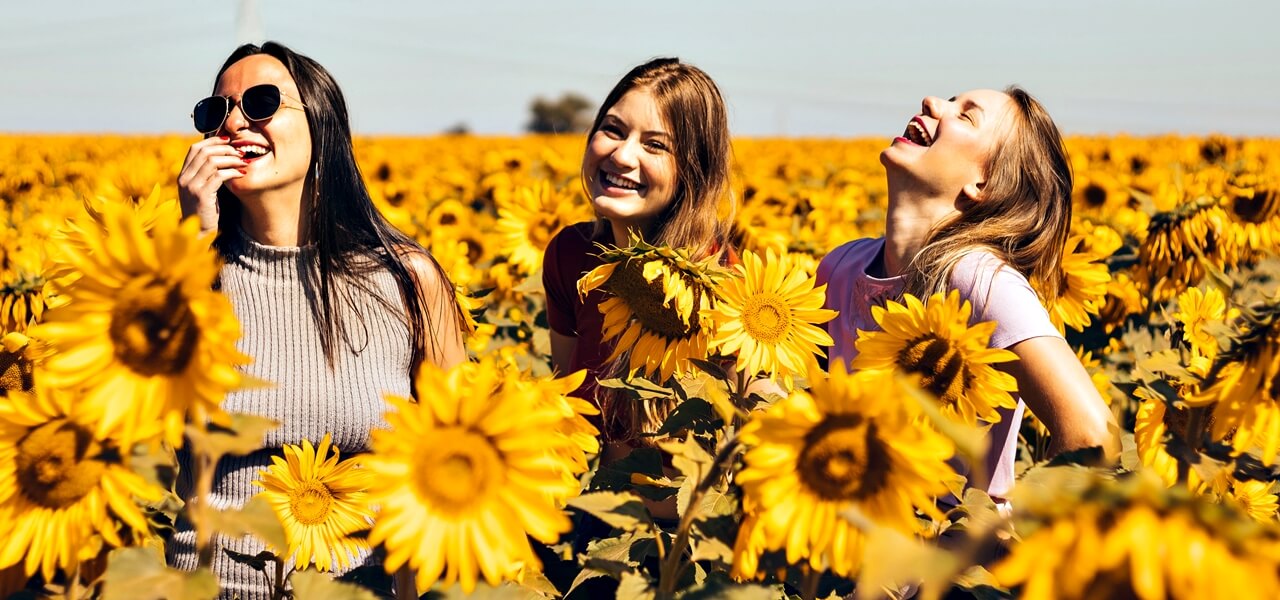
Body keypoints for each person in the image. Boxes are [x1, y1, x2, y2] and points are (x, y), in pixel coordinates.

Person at [170, 41, 465, 599]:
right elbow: (148, 436)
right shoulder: (182, 277)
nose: (234, 122)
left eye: (259, 103)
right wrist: (193, 245)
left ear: (322, 122)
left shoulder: (407, 280)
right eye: (216, 112)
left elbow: (456, 458)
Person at [816, 88, 1119, 505]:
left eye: (965, 116)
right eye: (949, 100)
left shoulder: (978, 279)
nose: (931, 103)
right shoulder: (841, 268)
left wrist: (1021, 543)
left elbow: (1092, 435)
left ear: (984, 184)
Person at [542, 57, 735, 449]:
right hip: (592, 505)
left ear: (693, 170)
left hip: (697, 510)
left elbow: (743, 429)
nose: (623, 156)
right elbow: (567, 405)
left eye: (655, 145)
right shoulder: (572, 255)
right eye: (613, 130)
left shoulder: (728, 283)